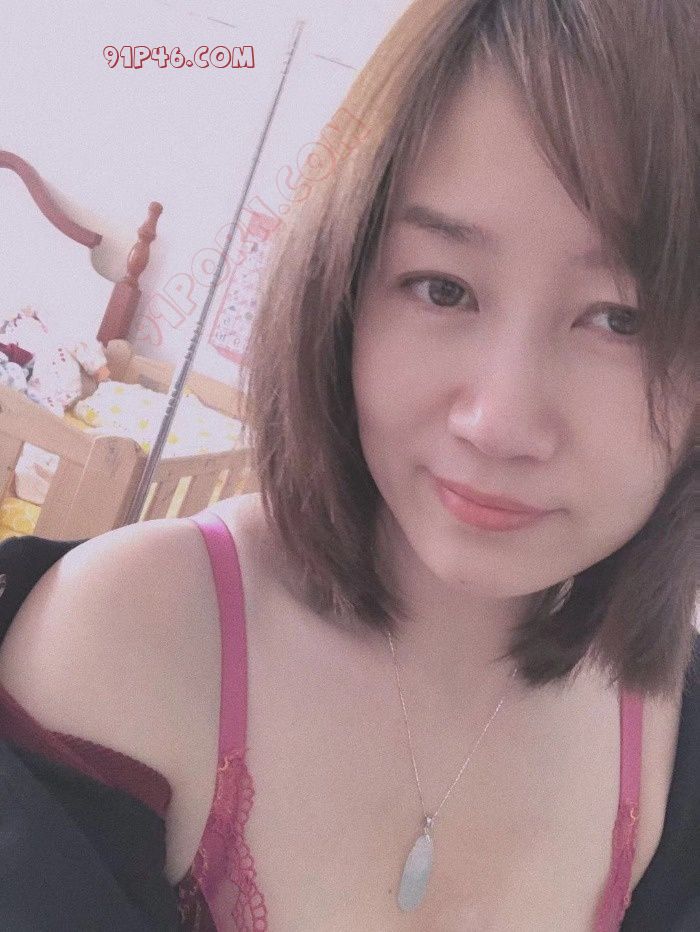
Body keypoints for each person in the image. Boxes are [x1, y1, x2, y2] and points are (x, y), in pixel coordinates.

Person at [0, 0, 697, 929]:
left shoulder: (676, 744)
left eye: (622, 319)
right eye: (442, 288)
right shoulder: (127, 641)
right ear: (340, 287)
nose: (498, 423)